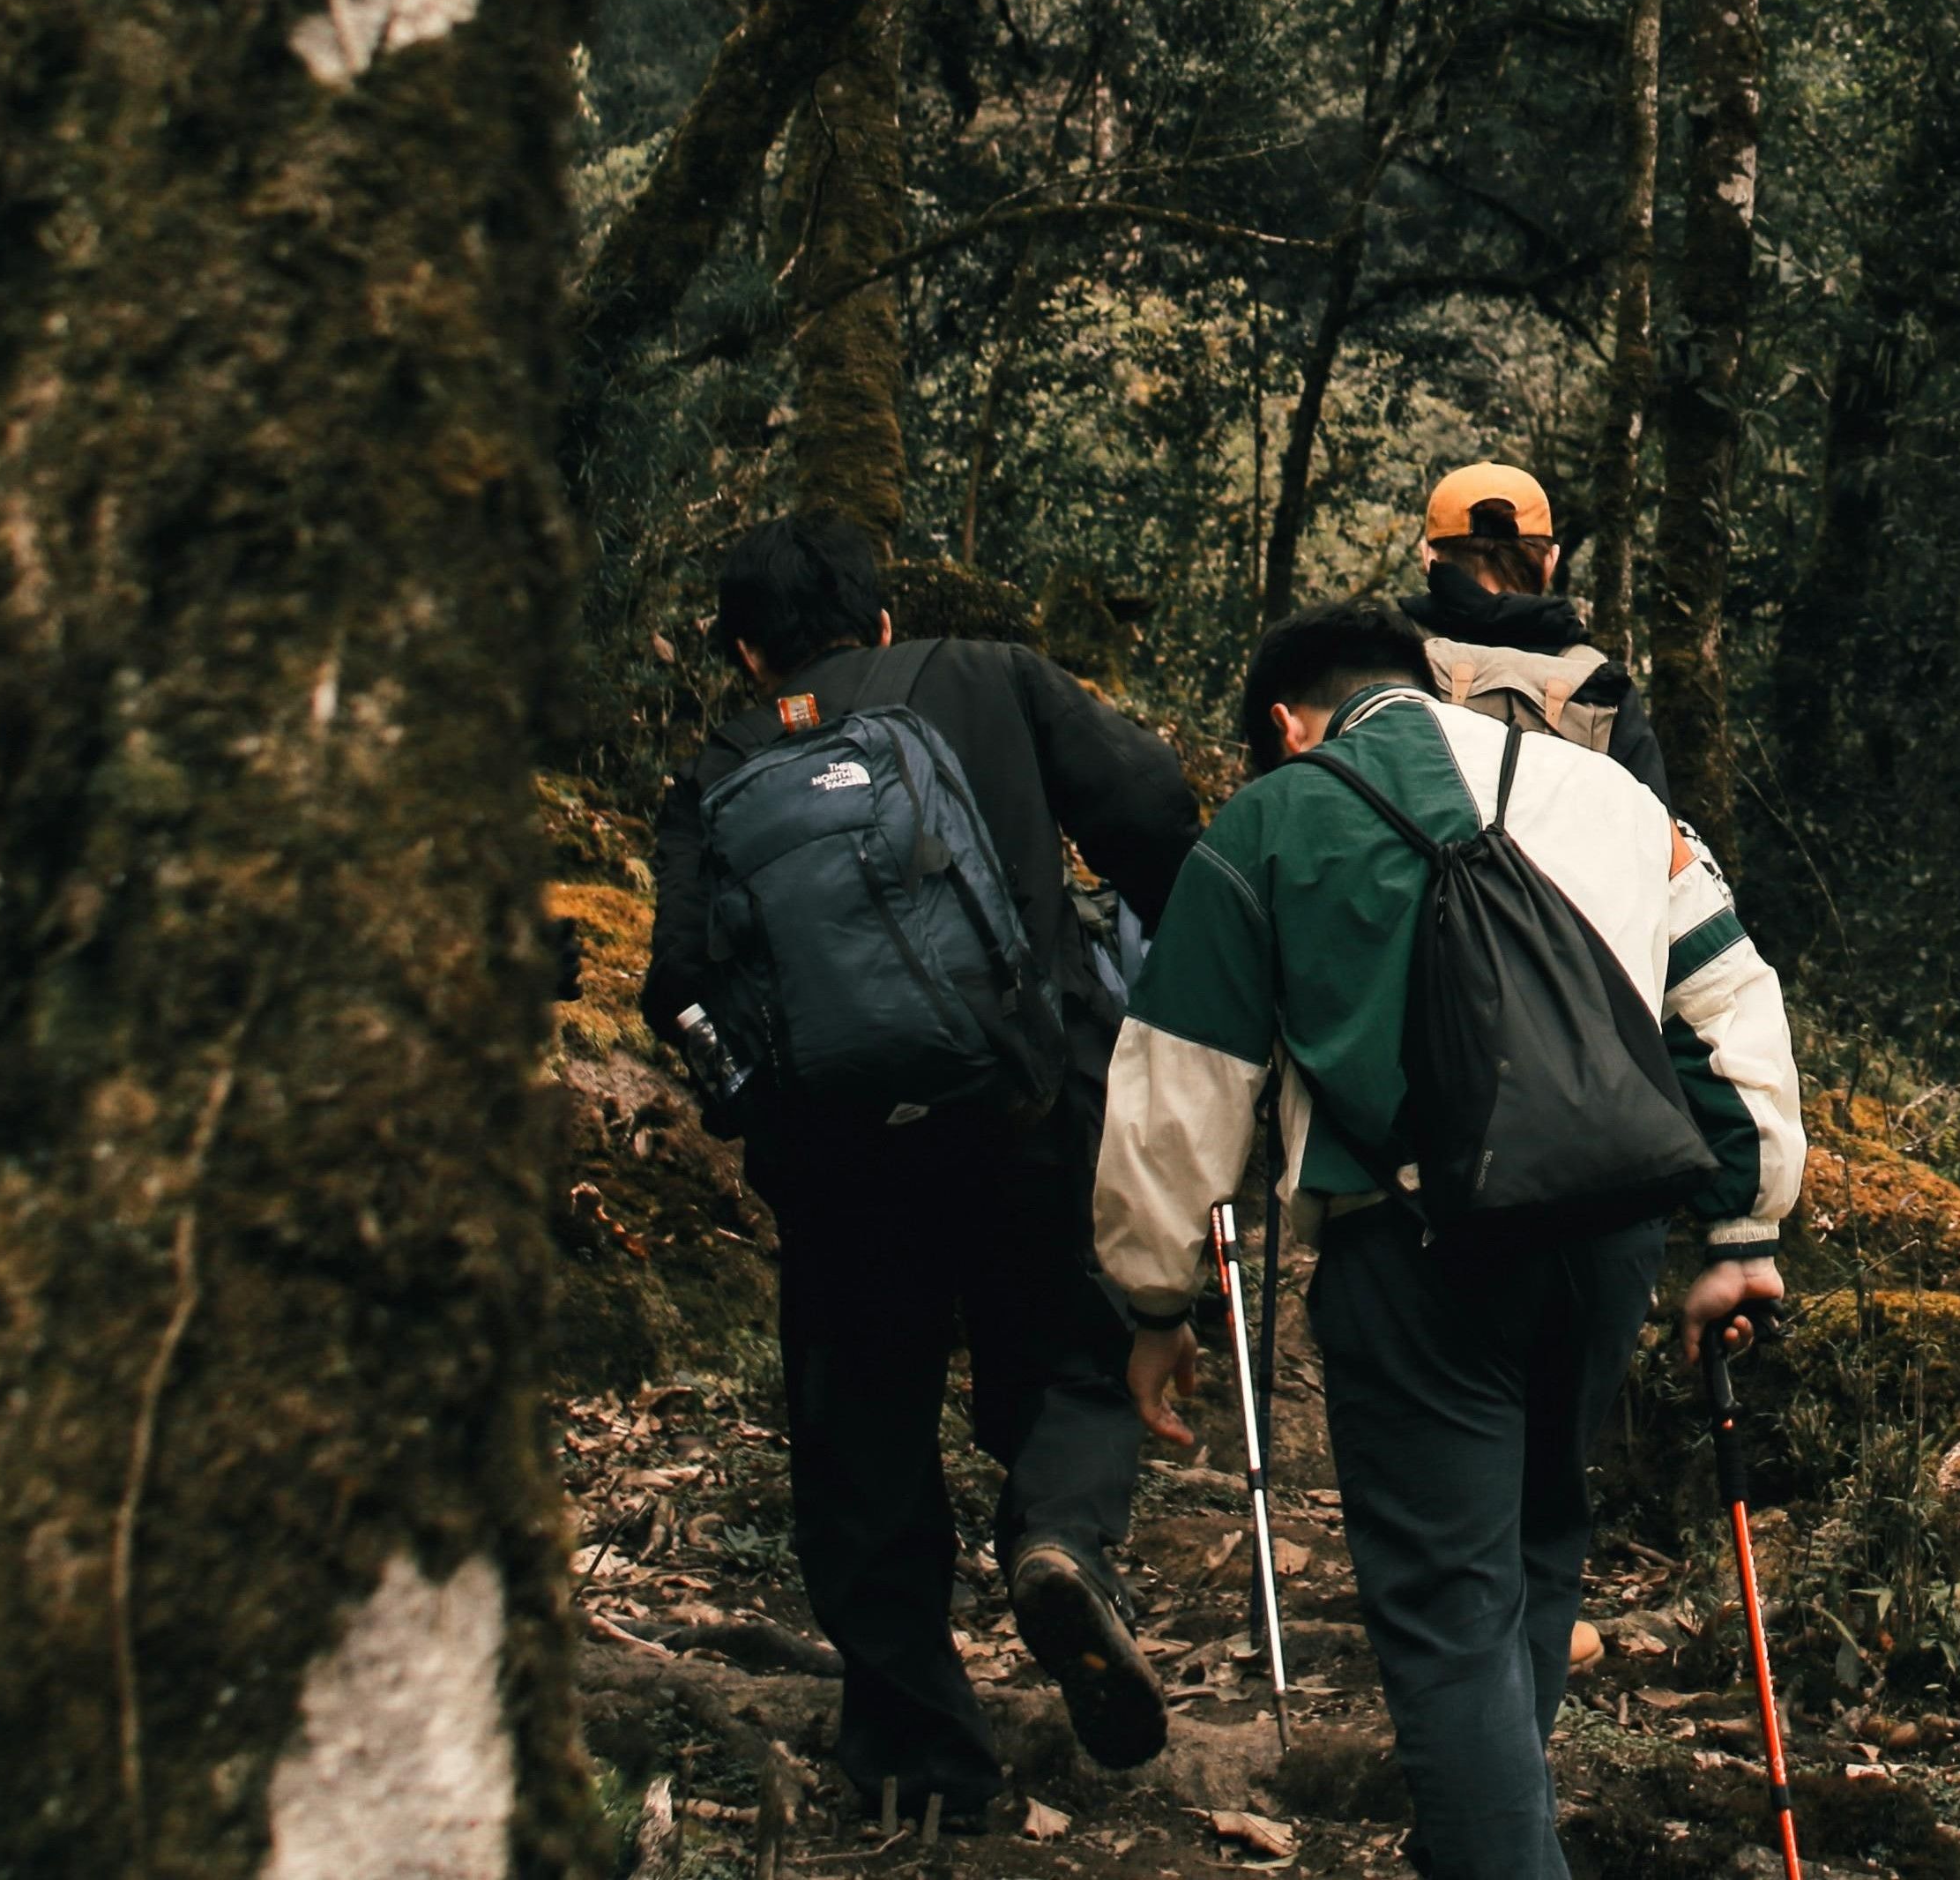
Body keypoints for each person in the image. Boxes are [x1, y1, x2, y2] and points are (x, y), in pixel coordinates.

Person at [1096, 596, 1803, 1880]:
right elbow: (1729, 999)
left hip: (1413, 1251)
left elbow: (1175, 1092)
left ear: (1284, 723)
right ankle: (1499, 1838)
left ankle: (1494, 1851)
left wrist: (1156, 1301)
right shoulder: (1616, 800)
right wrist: (1744, 1227)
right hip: (1606, 1239)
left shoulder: (1267, 819)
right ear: (1428, 676)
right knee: (1537, 1546)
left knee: (1448, 1611)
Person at [645, 513, 1201, 1830]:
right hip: (1021, 1102)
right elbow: (1154, 812)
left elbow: (677, 981)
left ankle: (917, 1759)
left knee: (861, 1429)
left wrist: (756, 1112)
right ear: (883, 617)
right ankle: (1059, 1537)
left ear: (740, 646)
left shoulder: (721, 761)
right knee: (1071, 1354)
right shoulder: (992, 674)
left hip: (836, 1150)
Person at [1395, 460, 1669, 802]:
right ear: (1550, 561)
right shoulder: (1597, 679)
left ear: (1427, 556)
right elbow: (1653, 827)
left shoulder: (1381, 650)